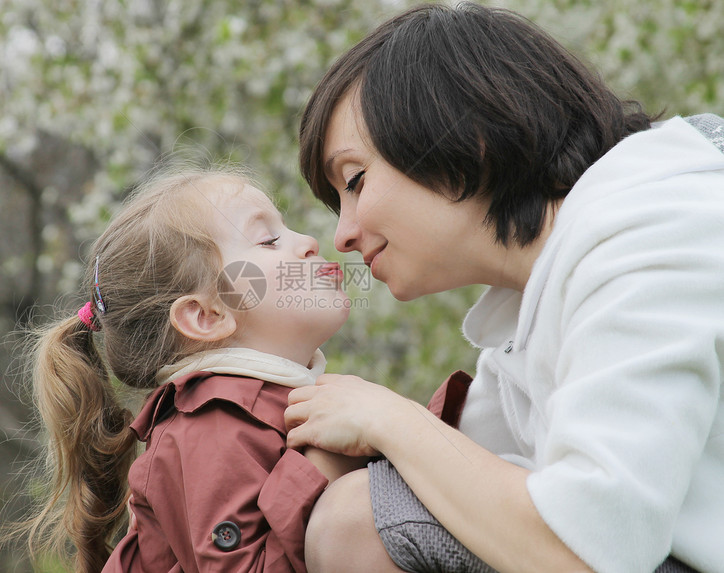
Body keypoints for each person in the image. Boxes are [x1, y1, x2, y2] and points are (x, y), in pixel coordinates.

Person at [284, 3, 724, 573]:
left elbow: (587, 550)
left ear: (467, 135)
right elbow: (478, 479)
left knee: (359, 520)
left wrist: (392, 419)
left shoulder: (656, 233)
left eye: (356, 180)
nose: (342, 236)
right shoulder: (526, 304)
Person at [11, 167, 365, 573]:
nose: (308, 241)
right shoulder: (209, 424)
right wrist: (322, 459)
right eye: (268, 240)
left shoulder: (265, 402)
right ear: (206, 316)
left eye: (285, 228)